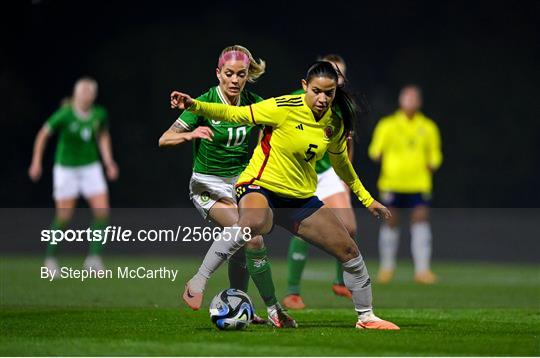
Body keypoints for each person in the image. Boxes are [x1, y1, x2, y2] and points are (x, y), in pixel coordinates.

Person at [171, 61, 400, 330]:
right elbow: (236, 114)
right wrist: (194, 105)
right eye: (316, 91)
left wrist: (367, 200)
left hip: (300, 199)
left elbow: (342, 165)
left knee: (349, 249)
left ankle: (367, 318)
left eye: (329, 93)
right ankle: (199, 280)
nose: (322, 98)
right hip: (260, 186)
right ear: (305, 86)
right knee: (251, 226)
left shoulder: (334, 121)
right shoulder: (282, 107)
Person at [159, 45, 292, 327]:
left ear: (247, 76)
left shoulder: (254, 103)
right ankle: (272, 309)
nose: (234, 80)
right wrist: (190, 133)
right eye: (228, 74)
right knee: (250, 236)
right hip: (208, 187)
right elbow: (164, 138)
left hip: (241, 185)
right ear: (218, 73)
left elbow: (276, 129)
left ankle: (238, 302)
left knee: (245, 242)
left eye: (240, 74)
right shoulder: (204, 102)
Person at [283, 54, 358, 310]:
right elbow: (267, 129)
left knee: (348, 226)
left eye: (341, 75)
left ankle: (340, 282)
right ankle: (292, 292)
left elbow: (347, 144)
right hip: (298, 171)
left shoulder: (343, 107)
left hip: (326, 174)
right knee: (304, 229)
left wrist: (345, 180)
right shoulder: (296, 98)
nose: (338, 78)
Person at [29, 77, 119, 275]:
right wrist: (36, 162)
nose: (86, 95)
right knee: (64, 216)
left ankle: (93, 259)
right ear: (76, 94)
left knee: (102, 211)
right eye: (82, 91)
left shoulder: (99, 114)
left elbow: (103, 135)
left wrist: (108, 161)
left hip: (91, 167)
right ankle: (50, 259)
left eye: (89, 92)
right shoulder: (65, 114)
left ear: (94, 95)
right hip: (66, 168)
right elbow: (43, 134)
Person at [368, 85, 442, 284]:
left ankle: (422, 270)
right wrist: (378, 155)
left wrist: (433, 163)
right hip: (393, 182)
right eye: (407, 97)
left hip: (418, 183)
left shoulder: (428, 127)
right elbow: (375, 151)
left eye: (414, 97)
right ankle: (387, 268)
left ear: (419, 102)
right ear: (400, 100)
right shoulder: (387, 125)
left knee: (420, 222)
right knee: (390, 221)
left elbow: (435, 155)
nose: (410, 100)